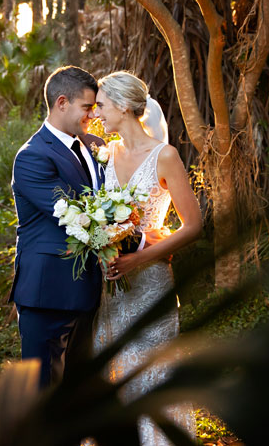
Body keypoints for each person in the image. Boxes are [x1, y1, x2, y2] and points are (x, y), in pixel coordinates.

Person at [92, 70, 202, 445]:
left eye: (102, 106)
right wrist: (101, 245)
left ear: (124, 106)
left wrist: (138, 259)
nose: (97, 114)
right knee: (114, 371)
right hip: (112, 288)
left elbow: (192, 226)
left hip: (150, 282)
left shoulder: (165, 156)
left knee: (152, 371)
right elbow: (97, 216)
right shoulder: (108, 154)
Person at [10, 65, 105, 389]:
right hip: (47, 292)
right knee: (44, 392)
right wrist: (141, 240)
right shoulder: (33, 156)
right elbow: (73, 214)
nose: (92, 115)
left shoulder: (92, 146)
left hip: (86, 291)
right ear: (62, 102)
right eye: (87, 107)